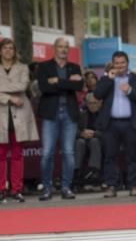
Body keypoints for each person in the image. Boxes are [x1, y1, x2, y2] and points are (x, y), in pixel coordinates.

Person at [93, 51, 136, 197]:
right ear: (113, 64)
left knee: (133, 155)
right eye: (117, 63)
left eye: (122, 63)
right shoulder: (106, 79)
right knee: (110, 156)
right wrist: (108, 80)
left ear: (127, 63)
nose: (120, 66)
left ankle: (133, 185)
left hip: (131, 123)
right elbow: (97, 94)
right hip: (111, 124)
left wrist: (130, 91)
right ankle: (112, 185)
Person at [36, 37, 83, 200]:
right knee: (47, 153)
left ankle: (66, 187)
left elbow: (78, 86)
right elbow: (44, 87)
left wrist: (58, 81)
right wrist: (67, 83)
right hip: (51, 113)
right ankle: (47, 188)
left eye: (66, 47)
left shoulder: (74, 67)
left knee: (69, 153)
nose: (63, 50)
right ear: (54, 48)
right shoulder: (43, 66)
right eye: (60, 47)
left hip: (69, 113)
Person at [0, 39, 39, 202]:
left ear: (15, 51)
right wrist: (9, 97)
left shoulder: (23, 68)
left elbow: (22, 87)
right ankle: (1, 189)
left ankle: (17, 189)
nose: (8, 51)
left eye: (11, 48)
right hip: (2, 114)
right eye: (5, 48)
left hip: (19, 114)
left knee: (17, 154)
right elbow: (15, 90)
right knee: (0, 154)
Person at [74, 93, 103, 190]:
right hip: (83, 139)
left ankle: (94, 171)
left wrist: (94, 133)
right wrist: (81, 134)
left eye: (95, 103)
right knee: (79, 143)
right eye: (90, 103)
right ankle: (76, 171)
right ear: (86, 104)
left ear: (99, 103)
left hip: (98, 140)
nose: (93, 105)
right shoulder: (82, 114)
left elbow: (107, 132)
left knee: (94, 141)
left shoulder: (103, 114)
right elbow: (75, 130)